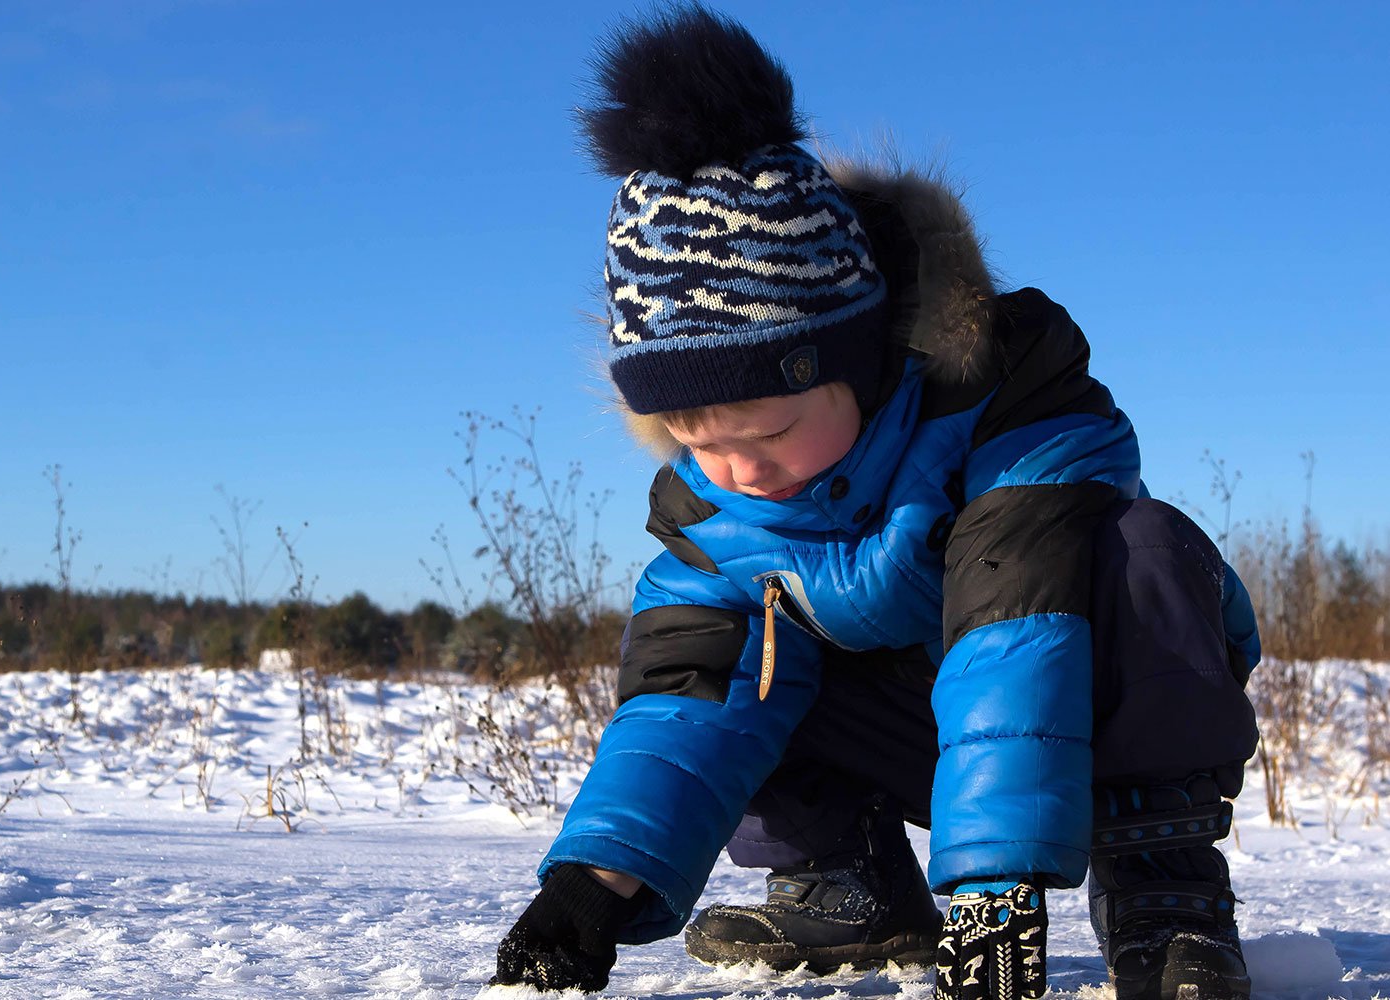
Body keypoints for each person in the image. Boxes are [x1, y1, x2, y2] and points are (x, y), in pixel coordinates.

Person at [489, 8, 1260, 1000]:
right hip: (923, 736)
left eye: (765, 433)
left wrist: (995, 884)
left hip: (1080, 700)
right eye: (696, 440)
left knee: (1142, 554)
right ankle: (847, 881)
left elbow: (1010, 632)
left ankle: (1163, 888)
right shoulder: (718, 516)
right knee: (736, 660)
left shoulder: (1010, 411)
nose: (736, 469)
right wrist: (591, 883)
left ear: (858, 363)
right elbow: (683, 704)